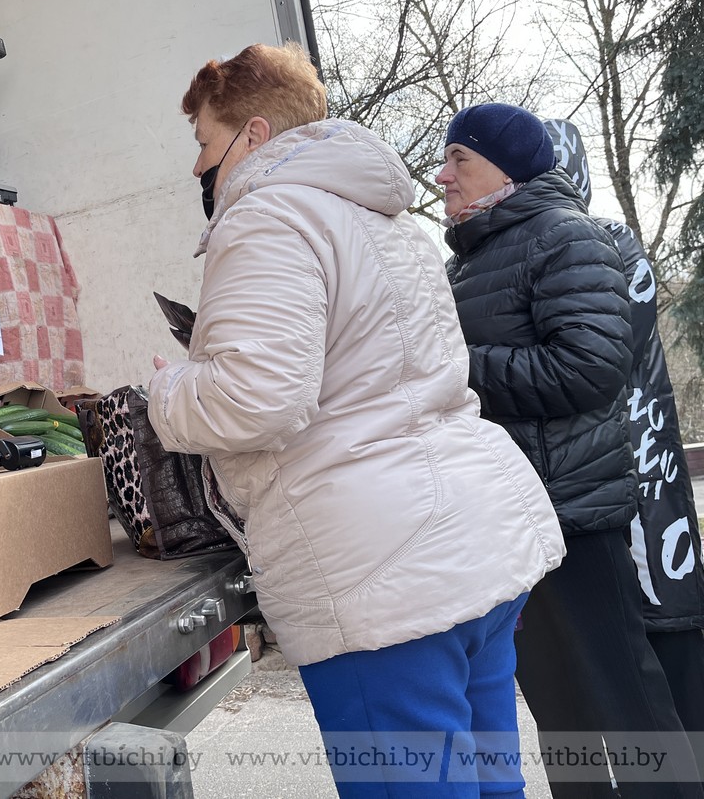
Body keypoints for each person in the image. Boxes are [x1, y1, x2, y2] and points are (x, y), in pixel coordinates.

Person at [147, 43, 566, 798]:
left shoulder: (267, 217)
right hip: (473, 544)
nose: (197, 166)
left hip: (384, 578)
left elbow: (257, 398)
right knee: (487, 781)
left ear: (256, 136)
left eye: (206, 142)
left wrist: (165, 394)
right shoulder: (387, 224)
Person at [440, 103, 703, 797]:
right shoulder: (463, 263)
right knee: (561, 715)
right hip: (505, 522)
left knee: (627, 705)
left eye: (458, 159)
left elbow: (587, 370)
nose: (442, 176)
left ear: (508, 167)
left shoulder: (568, 238)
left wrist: (457, 365)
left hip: (574, 514)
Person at [545, 116, 704, 769]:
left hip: (634, 514)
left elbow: (582, 377)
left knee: (651, 708)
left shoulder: (601, 246)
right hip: (634, 515)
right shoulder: (599, 245)